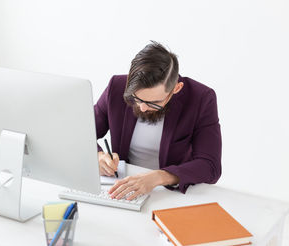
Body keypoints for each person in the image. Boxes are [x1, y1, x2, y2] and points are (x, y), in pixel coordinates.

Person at [95, 41, 222, 200]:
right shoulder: (117, 86)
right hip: (122, 188)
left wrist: (159, 177)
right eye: (136, 98)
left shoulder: (201, 98)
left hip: (170, 194)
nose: (142, 108)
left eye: (153, 103)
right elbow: (82, 131)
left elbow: (210, 166)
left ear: (176, 89)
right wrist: (98, 156)